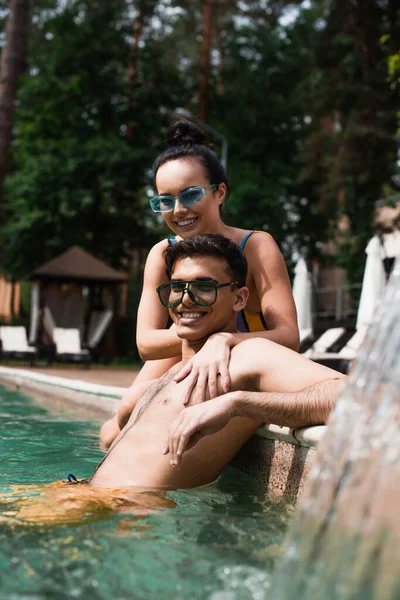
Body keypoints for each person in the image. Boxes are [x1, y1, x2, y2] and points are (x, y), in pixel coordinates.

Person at [100, 119, 300, 447]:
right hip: (188, 348)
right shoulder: (163, 252)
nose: (178, 210)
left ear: (219, 192)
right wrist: (208, 340)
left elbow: (289, 337)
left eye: (191, 194)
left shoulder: (256, 246)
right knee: (122, 418)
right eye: (164, 200)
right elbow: (146, 343)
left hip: (244, 353)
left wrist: (225, 340)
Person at [91, 235, 345, 489]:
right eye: (177, 287)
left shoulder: (248, 355)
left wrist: (237, 404)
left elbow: (356, 397)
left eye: (204, 287)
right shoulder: (175, 371)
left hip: (125, 513)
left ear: (239, 299)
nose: (186, 299)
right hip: (84, 496)